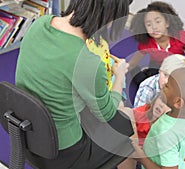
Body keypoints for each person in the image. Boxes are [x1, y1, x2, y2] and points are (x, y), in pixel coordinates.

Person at [15, 0, 135, 168]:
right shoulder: (88, 62)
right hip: (64, 153)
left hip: (26, 134)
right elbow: (106, 114)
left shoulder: (40, 23)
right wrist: (120, 75)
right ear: (109, 18)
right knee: (127, 117)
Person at [131, 68, 185, 169]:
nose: (164, 85)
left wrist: (141, 157)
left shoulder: (164, 131)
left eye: (167, 86)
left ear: (178, 103)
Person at [128, 1, 185, 84]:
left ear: (167, 23)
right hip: (157, 66)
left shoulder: (180, 36)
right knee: (145, 83)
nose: (154, 27)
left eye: (158, 22)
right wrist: (122, 70)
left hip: (176, 65)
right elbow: (133, 63)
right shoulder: (146, 44)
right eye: (149, 25)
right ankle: (143, 72)